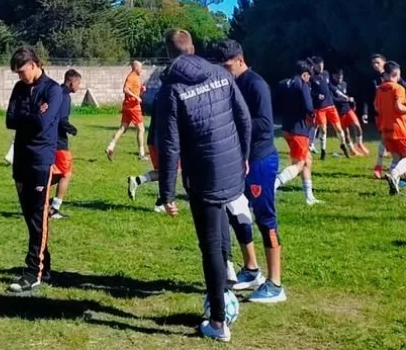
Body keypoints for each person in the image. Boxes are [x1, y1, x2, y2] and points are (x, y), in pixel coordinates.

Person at [156, 29, 251, 342]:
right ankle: (226, 284)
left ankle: (218, 320)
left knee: (209, 243)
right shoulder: (220, 73)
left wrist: (166, 193)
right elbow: (244, 118)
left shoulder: (170, 89)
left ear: (168, 54)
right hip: (231, 168)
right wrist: (243, 156)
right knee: (222, 225)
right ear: (192, 47)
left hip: (203, 176)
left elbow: (169, 145)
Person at [215, 40, 286, 303]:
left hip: (260, 160)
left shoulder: (256, 84)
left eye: (227, 66)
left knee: (265, 218)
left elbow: (266, 124)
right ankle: (252, 268)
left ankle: (276, 284)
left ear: (240, 60)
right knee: (236, 211)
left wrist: (231, 122)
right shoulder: (230, 84)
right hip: (238, 160)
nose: (224, 71)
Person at [5, 46, 62, 294]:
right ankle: (44, 267)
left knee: (39, 217)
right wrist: (30, 114)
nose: (20, 76)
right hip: (21, 159)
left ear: (35, 64)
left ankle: (33, 273)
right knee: (30, 217)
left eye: (22, 71)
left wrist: (25, 116)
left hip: (40, 159)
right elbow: (10, 119)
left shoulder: (53, 90)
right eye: (17, 73)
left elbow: (42, 123)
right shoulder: (19, 88)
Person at [274, 61, 322, 205]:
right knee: (299, 164)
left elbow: (275, 103)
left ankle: (309, 197)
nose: (309, 80)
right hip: (299, 129)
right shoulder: (302, 84)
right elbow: (308, 107)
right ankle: (274, 184)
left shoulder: (283, 84)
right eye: (308, 77)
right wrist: (312, 117)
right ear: (304, 74)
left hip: (286, 127)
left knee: (307, 160)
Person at [49, 69, 81, 220]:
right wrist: (72, 129)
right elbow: (62, 120)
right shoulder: (65, 96)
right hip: (59, 142)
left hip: (50, 139)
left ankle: (36, 192)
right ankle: (54, 208)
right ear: (71, 81)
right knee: (66, 174)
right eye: (78, 83)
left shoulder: (57, 92)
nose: (79, 86)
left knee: (55, 173)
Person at [374, 61, 406, 195]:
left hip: (385, 128)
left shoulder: (380, 89)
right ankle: (394, 174)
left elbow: (376, 107)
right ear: (396, 74)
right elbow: (398, 107)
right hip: (399, 128)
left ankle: (394, 187)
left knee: (396, 158)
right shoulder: (398, 88)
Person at [309, 57, 350, 160]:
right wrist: (316, 95)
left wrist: (340, 94)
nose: (321, 68)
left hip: (330, 105)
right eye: (318, 66)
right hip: (319, 108)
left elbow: (331, 87)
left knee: (339, 128)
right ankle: (323, 151)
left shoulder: (325, 74)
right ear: (314, 66)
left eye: (322, 66)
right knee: (323, 129)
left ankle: (343, 145)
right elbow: (308, 91)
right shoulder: (311, 77)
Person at [106, 61, 147, 161]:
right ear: (136, 67)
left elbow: (134, 90)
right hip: (133, 107)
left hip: (127, 106)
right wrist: (136, 97)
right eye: (141, 67)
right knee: (141, 129)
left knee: (123, 128)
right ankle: (141, 154)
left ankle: (110, 147)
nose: (141, 69)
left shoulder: (136, 78)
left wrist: (141, 90)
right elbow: (125, 89)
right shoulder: (132, 77)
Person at [330, 70, 368, 156]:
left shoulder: (344, 84)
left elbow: (347, 95)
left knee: (357, 126)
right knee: (346, 132)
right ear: (333, 76)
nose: (339, 78)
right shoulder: (331, 86)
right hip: (339, 112)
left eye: (341, 76)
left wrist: (351, 101)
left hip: (348, 109)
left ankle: (359, 143)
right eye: (337, 76)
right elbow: (332, 99)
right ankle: (351, 149)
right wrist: (343, 99)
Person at [370, 54, 389, 178]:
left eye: (378, 62)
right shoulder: (374, 80)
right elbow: (371, 98)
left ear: (384, 62)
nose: (375, 65)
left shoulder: (392, 75)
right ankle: (378, 167)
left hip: (396, 113)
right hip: (382, 114)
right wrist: (367, 112)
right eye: (373, 63)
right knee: (384, 138)